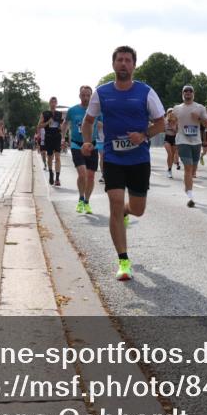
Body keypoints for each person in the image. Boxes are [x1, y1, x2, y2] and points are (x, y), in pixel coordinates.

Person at [81, 46, 165, 281]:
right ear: (113, 64)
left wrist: (144, 135)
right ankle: (123, 261)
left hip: (139, 159)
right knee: (115, 203)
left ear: (134, 65)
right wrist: (87, 141)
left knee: (137, 208)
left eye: (128, 60)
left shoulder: (145, 92)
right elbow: (88, 122)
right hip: (113, 157)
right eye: (120, 60)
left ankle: (128, 211)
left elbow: (161, 123)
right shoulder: (102, 93)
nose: (124, 64)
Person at [172, 84, 207, 208]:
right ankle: (190, 194)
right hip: (182, 141)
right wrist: (171, 122)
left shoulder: (200, 108)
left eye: (190, 91)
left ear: (193, 94)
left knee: (193, 170)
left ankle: (188, 186)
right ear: (182, 94)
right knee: (188, 168)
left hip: (196, 141)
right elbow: (171, 121)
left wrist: (199, 118)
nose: (187, 92)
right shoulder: (177, 108)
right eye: (185, 91)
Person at [65, 86, 96, 212]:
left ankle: (87, 202)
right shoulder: (72, 110)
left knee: (91, 176)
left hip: (92, 145)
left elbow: (103, 124)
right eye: (83, 95)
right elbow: (65, 124)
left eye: (88, 95)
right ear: (79, 96)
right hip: (77, 145)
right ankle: (81, 199)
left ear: (91, 96)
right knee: (82, 174)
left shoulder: (96, 111)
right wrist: (63, 138)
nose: (85, 98)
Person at [38, 97, 64, 186]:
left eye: (55, 102)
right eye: (52, 102)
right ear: (49, 103)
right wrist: (48, 122)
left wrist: (61, 128)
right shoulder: (45, 114)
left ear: (56, 103)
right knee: (50, 157)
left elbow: (63, 126)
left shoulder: (59, 114)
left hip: (57, 136)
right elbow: (39, 125)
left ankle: (57, 178)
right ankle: (50, 173)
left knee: (57, 157)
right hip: (48, 137)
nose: (53, 103)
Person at [163, 108, 178, 178]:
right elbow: (162, 129)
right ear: (167, 113)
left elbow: (178, 131)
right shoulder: (165, 121)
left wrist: (173, 127)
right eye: (169, 112)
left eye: (172, 112)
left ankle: (170, 168)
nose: (171, 113)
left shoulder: (177, 121)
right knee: (169, 153)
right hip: (167, 138)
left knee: (172, 155)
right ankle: (169, 169)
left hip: (174, 139)